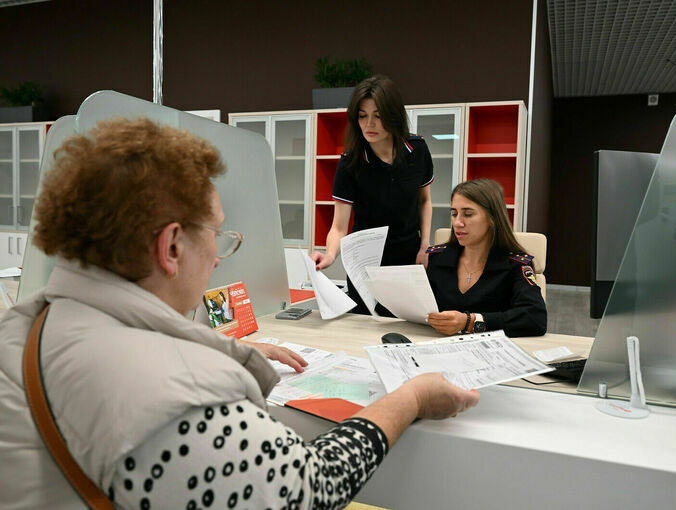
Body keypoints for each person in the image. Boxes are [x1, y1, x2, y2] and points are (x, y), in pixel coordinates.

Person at [0, 118, 479, 509]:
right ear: (171, 247)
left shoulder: (24, 326)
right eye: (216, 234)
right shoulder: (176, 396)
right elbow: (309, 488)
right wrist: (412, 398)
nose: (217, 256)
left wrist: (223, 346)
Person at [311, 75, 434, 315]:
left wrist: (425, 245)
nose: (369, 124)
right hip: (365, 263)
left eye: (378, 116)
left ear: (394, 116)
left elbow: (425, 201)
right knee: (363, 325)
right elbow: (339, 227)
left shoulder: (417, 149)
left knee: (406, 323)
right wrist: (330, 255)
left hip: (408, 258)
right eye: (362, 116)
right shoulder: (350, 163)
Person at [426, 179, 547, 337]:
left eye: (468, 214)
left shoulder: (515, 264)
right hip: (435, 343)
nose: (457, 223)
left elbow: (535, 318)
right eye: (454, 214)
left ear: (492, 218)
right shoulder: (438, 257)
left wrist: (470, 322)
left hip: (492, 349)